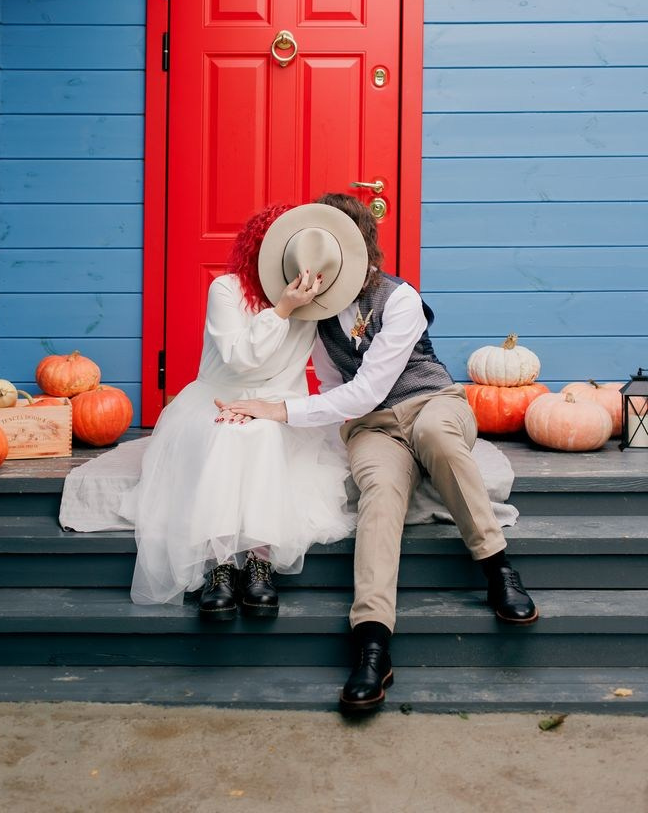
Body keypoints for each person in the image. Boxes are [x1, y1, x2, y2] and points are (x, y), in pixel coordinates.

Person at [219, 194, 538, 712]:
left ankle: (497, 568)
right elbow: (328, 386)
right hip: (373, 428)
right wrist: (272, 415)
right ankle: (372, 642)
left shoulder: (400, 298)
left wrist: (277, 409)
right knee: (379, 494)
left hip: (430, 401)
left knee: (436, 437)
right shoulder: (316, 316)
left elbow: (367, 388)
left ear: (362, 249)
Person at [119, 202, 359, 620]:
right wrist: (281, 309)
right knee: (228, 434)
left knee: (262, 432)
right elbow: (238, 360)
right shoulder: (227, 290)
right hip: (218, 397)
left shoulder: (317, 305)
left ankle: (260, 561)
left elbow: (334, 360)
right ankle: (221, 565)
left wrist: (274, 408)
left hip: (278, 403)